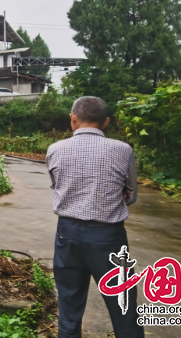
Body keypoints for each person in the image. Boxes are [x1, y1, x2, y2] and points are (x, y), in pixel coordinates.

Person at [47, 96, 144, 338]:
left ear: (73, 118)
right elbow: (131, 196)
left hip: (67, 234)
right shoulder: (123, 150)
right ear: (106, 122)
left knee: (69, 307)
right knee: (124, 308)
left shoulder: (55, 149)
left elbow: (57, 186)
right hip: (108, 238)